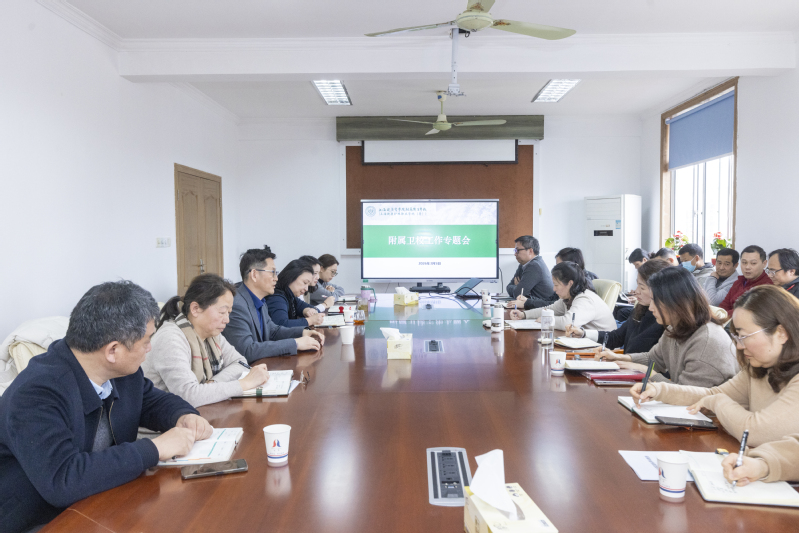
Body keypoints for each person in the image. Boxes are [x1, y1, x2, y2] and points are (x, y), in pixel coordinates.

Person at [0, 281, 212, 533]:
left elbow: (150, 400)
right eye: (146, 341)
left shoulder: (121, 371)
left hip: (102, 499)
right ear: (113, 350)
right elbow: (63, 479)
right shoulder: (36, 394)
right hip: (37, 519)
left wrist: (182, 415)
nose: (150, 348)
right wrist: (155, 448)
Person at [632, 285, 799, 480]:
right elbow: (709, 395)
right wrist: (659, 390)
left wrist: (719, 401)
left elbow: (754, 430)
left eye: (745, 336)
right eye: (737, 336)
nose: (739, 346)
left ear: (781, 333)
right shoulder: (759, 367)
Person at [143, 274, 270, 408]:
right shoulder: (170, 339)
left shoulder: (213, 334)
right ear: (195, 309)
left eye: (229, 313)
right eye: (222, 312)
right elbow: (189, 396)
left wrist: (214, 383)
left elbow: (240, 363)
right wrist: (245, 383)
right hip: (161, 419)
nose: (227, 320)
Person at [602, 266, 738, 386]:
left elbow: (686, 394)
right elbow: (654, 358)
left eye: (655, 301)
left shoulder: (706, 342)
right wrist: (619, 358)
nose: (651, 308)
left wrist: (648, 373)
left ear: (676, 302)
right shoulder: (676, 327)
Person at [223, 246, 323, 363]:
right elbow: (247, 351)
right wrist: (295, 343)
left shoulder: (260, 300)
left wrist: (303, 332)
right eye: (272, 273)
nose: (276, 278)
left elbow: (273, 331)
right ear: (254, 274)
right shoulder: (236, 305)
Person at [565, 259, 670, 354]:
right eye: (637, 285)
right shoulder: (641, 309)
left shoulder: (666, 321)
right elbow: (616, 337)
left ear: (659, 290)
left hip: (636, 367)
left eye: (642, 288)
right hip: (627, 365)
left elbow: (654, 361)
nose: (636, 291)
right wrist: (583, 333)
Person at [509, 261, 617, 331]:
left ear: (570, 283)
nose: (554, 289)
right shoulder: (569, 297)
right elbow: (549, 309)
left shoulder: (585, 299)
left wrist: (546, 320)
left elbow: (568, 323)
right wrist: (523, 315)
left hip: (603, 349)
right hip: (584, 343)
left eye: (556, 285)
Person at [510, 247, 594, 310]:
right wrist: (527, 300)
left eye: (559, 266)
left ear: (571, 265)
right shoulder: (567, 280)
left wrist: (526, 303)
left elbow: (555, 306)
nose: (557, 269)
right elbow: (550, 300)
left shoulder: (583, 284)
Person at [266, 259, 325, 328]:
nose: (306, 289)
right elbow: (281, 325)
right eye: (305, 283)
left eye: (308, 284)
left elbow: (304, 306)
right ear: (291, 277)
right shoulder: (276, 297)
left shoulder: (290, 295)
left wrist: (308, 310)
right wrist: (309, 321)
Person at [719, 245, 773, 313]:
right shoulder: (738, 282)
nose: (747, 267)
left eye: (753, 263)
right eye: (744, 262)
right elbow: (724, 305)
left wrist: (721, 315)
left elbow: (746, 312)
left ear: (764, 264)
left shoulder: (767, 286)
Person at [505, 236, 554, 300]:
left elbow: (518, 294)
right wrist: (518, 288)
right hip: (531, 303)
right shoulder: (523, 264)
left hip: (541, 305)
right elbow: (509, 287)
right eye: (515, 250)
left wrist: (518, 287)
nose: (515, 254)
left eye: (517, 250)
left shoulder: (535, 266)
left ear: (530, 251)